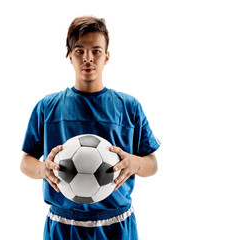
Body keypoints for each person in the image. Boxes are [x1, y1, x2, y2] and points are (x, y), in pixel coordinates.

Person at [20, 16, 161, 240]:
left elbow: (152, 164)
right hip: (64, 226)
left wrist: (136, 163)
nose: (88, 58)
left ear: (107, 56)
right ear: (69, 55)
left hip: (117, 225)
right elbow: (26, 161)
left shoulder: (129, 107)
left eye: (96, 51)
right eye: (79, 50)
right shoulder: (48, 107)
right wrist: (41, 169)